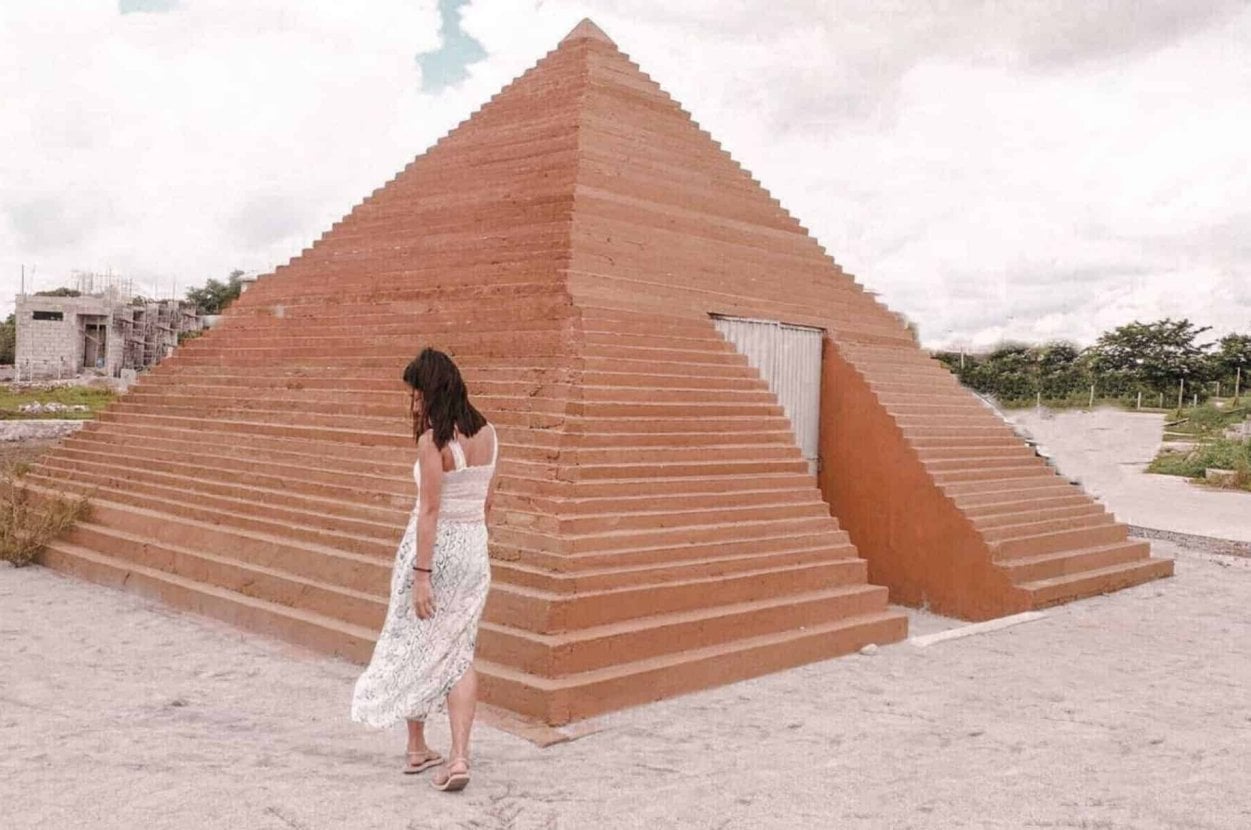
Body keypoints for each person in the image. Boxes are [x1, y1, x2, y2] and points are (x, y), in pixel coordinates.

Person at [351, 348, 497, 793]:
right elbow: (487, 504)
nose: (414, 403)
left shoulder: (434, 440)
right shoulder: (490, 434)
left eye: (417, 394)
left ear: (433, 390)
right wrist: (471, 549)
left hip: (432, 552)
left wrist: (422, 575)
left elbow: (430, 510)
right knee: (459, 651)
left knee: (414, 642)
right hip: (474, 550)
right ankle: (457, 756)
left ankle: (418, 747)